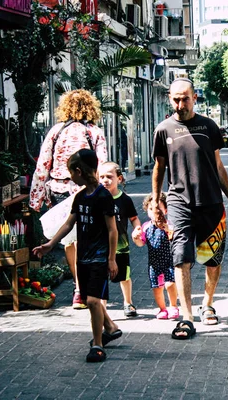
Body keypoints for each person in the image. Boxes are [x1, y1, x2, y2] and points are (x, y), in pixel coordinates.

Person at [151, 77, 228, 340]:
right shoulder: (163, 130)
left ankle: (208, 303)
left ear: (195, 98)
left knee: (211, 259)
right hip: (179, 203)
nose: (180, 104)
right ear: (170, 98)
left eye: (185, 98)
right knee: (181, 257)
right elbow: (159, 167)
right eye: (176, 99)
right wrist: (157, 201)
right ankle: (186, 316)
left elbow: (218, 166)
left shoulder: (209, 126)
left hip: (212, 201)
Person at [33, 149, 120, 363]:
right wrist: (50, 244)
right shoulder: (80, 197)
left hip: (99, 256)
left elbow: (112, 230)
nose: (70, 176)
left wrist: (111, 258)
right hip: (83, 257)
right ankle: (110, 327)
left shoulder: (103, 196)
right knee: (90, 297)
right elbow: (69, 223)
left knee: (92, 300)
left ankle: (98, 344)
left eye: (70, 172)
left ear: (79, 171)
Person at [30, 89, 108, 310]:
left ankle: (78, 288)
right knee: (86, 236)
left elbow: (43, 163)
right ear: (90, 107)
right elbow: (101, 163)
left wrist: (36, 197)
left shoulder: (56, 131)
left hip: (59, 188)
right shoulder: (94, 132)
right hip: (86, 191)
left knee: (68, 238)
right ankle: (86, 287)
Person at [98, 162, 141, 317]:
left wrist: (137, 228)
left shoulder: (125, 200)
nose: (105, 180)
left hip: (121, 247)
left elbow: (134, 218)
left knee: (124, 277)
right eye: (101, 177)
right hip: (101, 247)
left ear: (119, 179)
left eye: (109, 176)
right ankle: (102, 307)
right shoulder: (96, 199)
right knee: (101, 278)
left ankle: (128, 303)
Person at [131, 194, 179, 320]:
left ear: (166, 211)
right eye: (151, 209)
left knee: (170, 284)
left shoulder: (169, 224)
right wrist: (135, 238)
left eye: (158, 209)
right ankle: (162, 309)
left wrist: (168, 229)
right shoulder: (146, 227)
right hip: (154, 263)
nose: (154, 212)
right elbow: (141, 243)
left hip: (169, 261)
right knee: (157, 287)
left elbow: (173, 238)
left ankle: (173, 306)